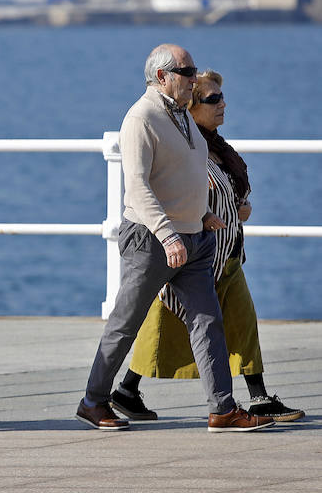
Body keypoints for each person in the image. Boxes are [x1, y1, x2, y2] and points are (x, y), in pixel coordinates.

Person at [75, 44, 273, 433]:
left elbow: (184, 173)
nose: (194, 78)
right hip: (152, 239)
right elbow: (138, 187)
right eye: (187, 71)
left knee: (207, 321)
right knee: (125, 324)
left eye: (194, 70)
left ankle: (222, 409)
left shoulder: (182, 116)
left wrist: (202, 214)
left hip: (194, 236)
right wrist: (169, 236)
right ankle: (93, 401)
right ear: (161, 77)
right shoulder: (141, 118)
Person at [111, 70, 304, 423]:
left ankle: (258, 396)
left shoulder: (215, 145)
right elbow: (168, 190)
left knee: (242, 320)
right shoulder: (185, 144)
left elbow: (226, 190)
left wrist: (239, 206)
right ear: (191, 106)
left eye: (221, 97)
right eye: (212, 99)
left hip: (226, 252)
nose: (222, 104)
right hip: (195, 252)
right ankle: (124, 389)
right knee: (164, 323)